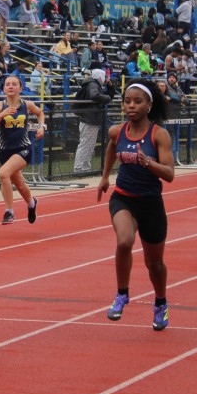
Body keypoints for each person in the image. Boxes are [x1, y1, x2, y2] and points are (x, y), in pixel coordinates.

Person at [97, 80, 174, 331]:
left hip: (150, 203)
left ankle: (160, 302)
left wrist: (147, 163)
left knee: (155, 264)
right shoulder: (117, 131)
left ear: (149, 105)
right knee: (124, 241)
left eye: (137, 102)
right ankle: (122, 294)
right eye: (127, 101)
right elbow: (111, 147)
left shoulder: (159, 135)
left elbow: (169, 174)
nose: (131, 106)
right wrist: (105, 176)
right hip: (123, 197)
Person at [0, 74, 44, 225]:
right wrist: (1, 115)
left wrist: (41, 127)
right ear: (3, 89)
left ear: (20, 88)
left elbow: (40, 113)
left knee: (3, 174)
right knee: (20, 184)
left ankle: (9, 212)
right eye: (7, 84)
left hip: (23, 148)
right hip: (5, 151)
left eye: (14, 84)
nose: (10, 86)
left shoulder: (27, 105)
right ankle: (32, 203)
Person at [73, 69, 114, 173]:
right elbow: (94, 95)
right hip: (89, 119)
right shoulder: (93, 84)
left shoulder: (95, 84)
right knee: (85, 144)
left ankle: (85, 167)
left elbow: (110, 96)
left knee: (90, 145)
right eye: (104, 77)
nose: (105, 79)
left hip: (92, 119)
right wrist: (106, 98)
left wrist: (110, 86)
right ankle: (78, 168)